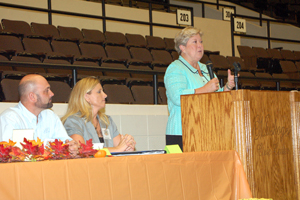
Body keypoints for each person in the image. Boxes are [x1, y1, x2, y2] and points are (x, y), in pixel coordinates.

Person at [164, 26, 235, 150]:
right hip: (180, 134)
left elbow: (216, 97)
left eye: (201, 42)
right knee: (181, 170)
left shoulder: (206, 68)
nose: (200, 46)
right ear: (182, 47)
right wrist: (205, 89)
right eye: (195, 42)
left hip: (206, 132)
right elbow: (177, 97)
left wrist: (228, 87)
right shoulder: (175, 68)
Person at [0, 74, 78, 156]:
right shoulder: (9, 119)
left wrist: (72, 147)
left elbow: (65, 143)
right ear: (32, 97)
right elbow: (8, 156)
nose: (52, 94)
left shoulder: (50, 116)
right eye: (46, 90)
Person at [61, 77, 136, 152]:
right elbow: (81, 151)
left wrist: (128, 146)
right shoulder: (73, 121)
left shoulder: (106, 120)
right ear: (87, 97)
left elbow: (121, 146)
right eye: (99, 92)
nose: (105, 95)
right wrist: (117, 149)